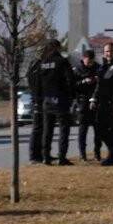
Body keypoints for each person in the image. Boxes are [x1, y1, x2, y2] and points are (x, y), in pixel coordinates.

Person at [39, 38, 76, 166]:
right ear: (58, 48)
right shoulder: (62, 62)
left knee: (47, 130)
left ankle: (46, 157)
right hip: (61, 100)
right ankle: (61, 157)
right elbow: (70, 80)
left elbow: (38, 82)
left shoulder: (43, 63)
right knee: (63, 129)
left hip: (46, 100)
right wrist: (71, 95)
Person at [74, 50, 101, 161]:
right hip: (83, 101)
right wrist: (84, 81)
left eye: (91, 61)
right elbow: (73, 85)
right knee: (83, 129)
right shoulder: (77, 69)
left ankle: (97, 153)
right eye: (87, 61)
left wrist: (96, 79)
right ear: (83, 58)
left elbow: (101, 83)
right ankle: (82, 154)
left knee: (98, 129)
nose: (89, 63)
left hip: (96, 101)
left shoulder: (98, 68)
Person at [26, 52, 45, 164]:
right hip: (38, 99)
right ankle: (34, 156)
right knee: (37, 128)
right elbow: (35, 83)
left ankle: (41, 153)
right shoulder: (36, 65)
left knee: (42, 129)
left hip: (40, 98)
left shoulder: (38, 64)